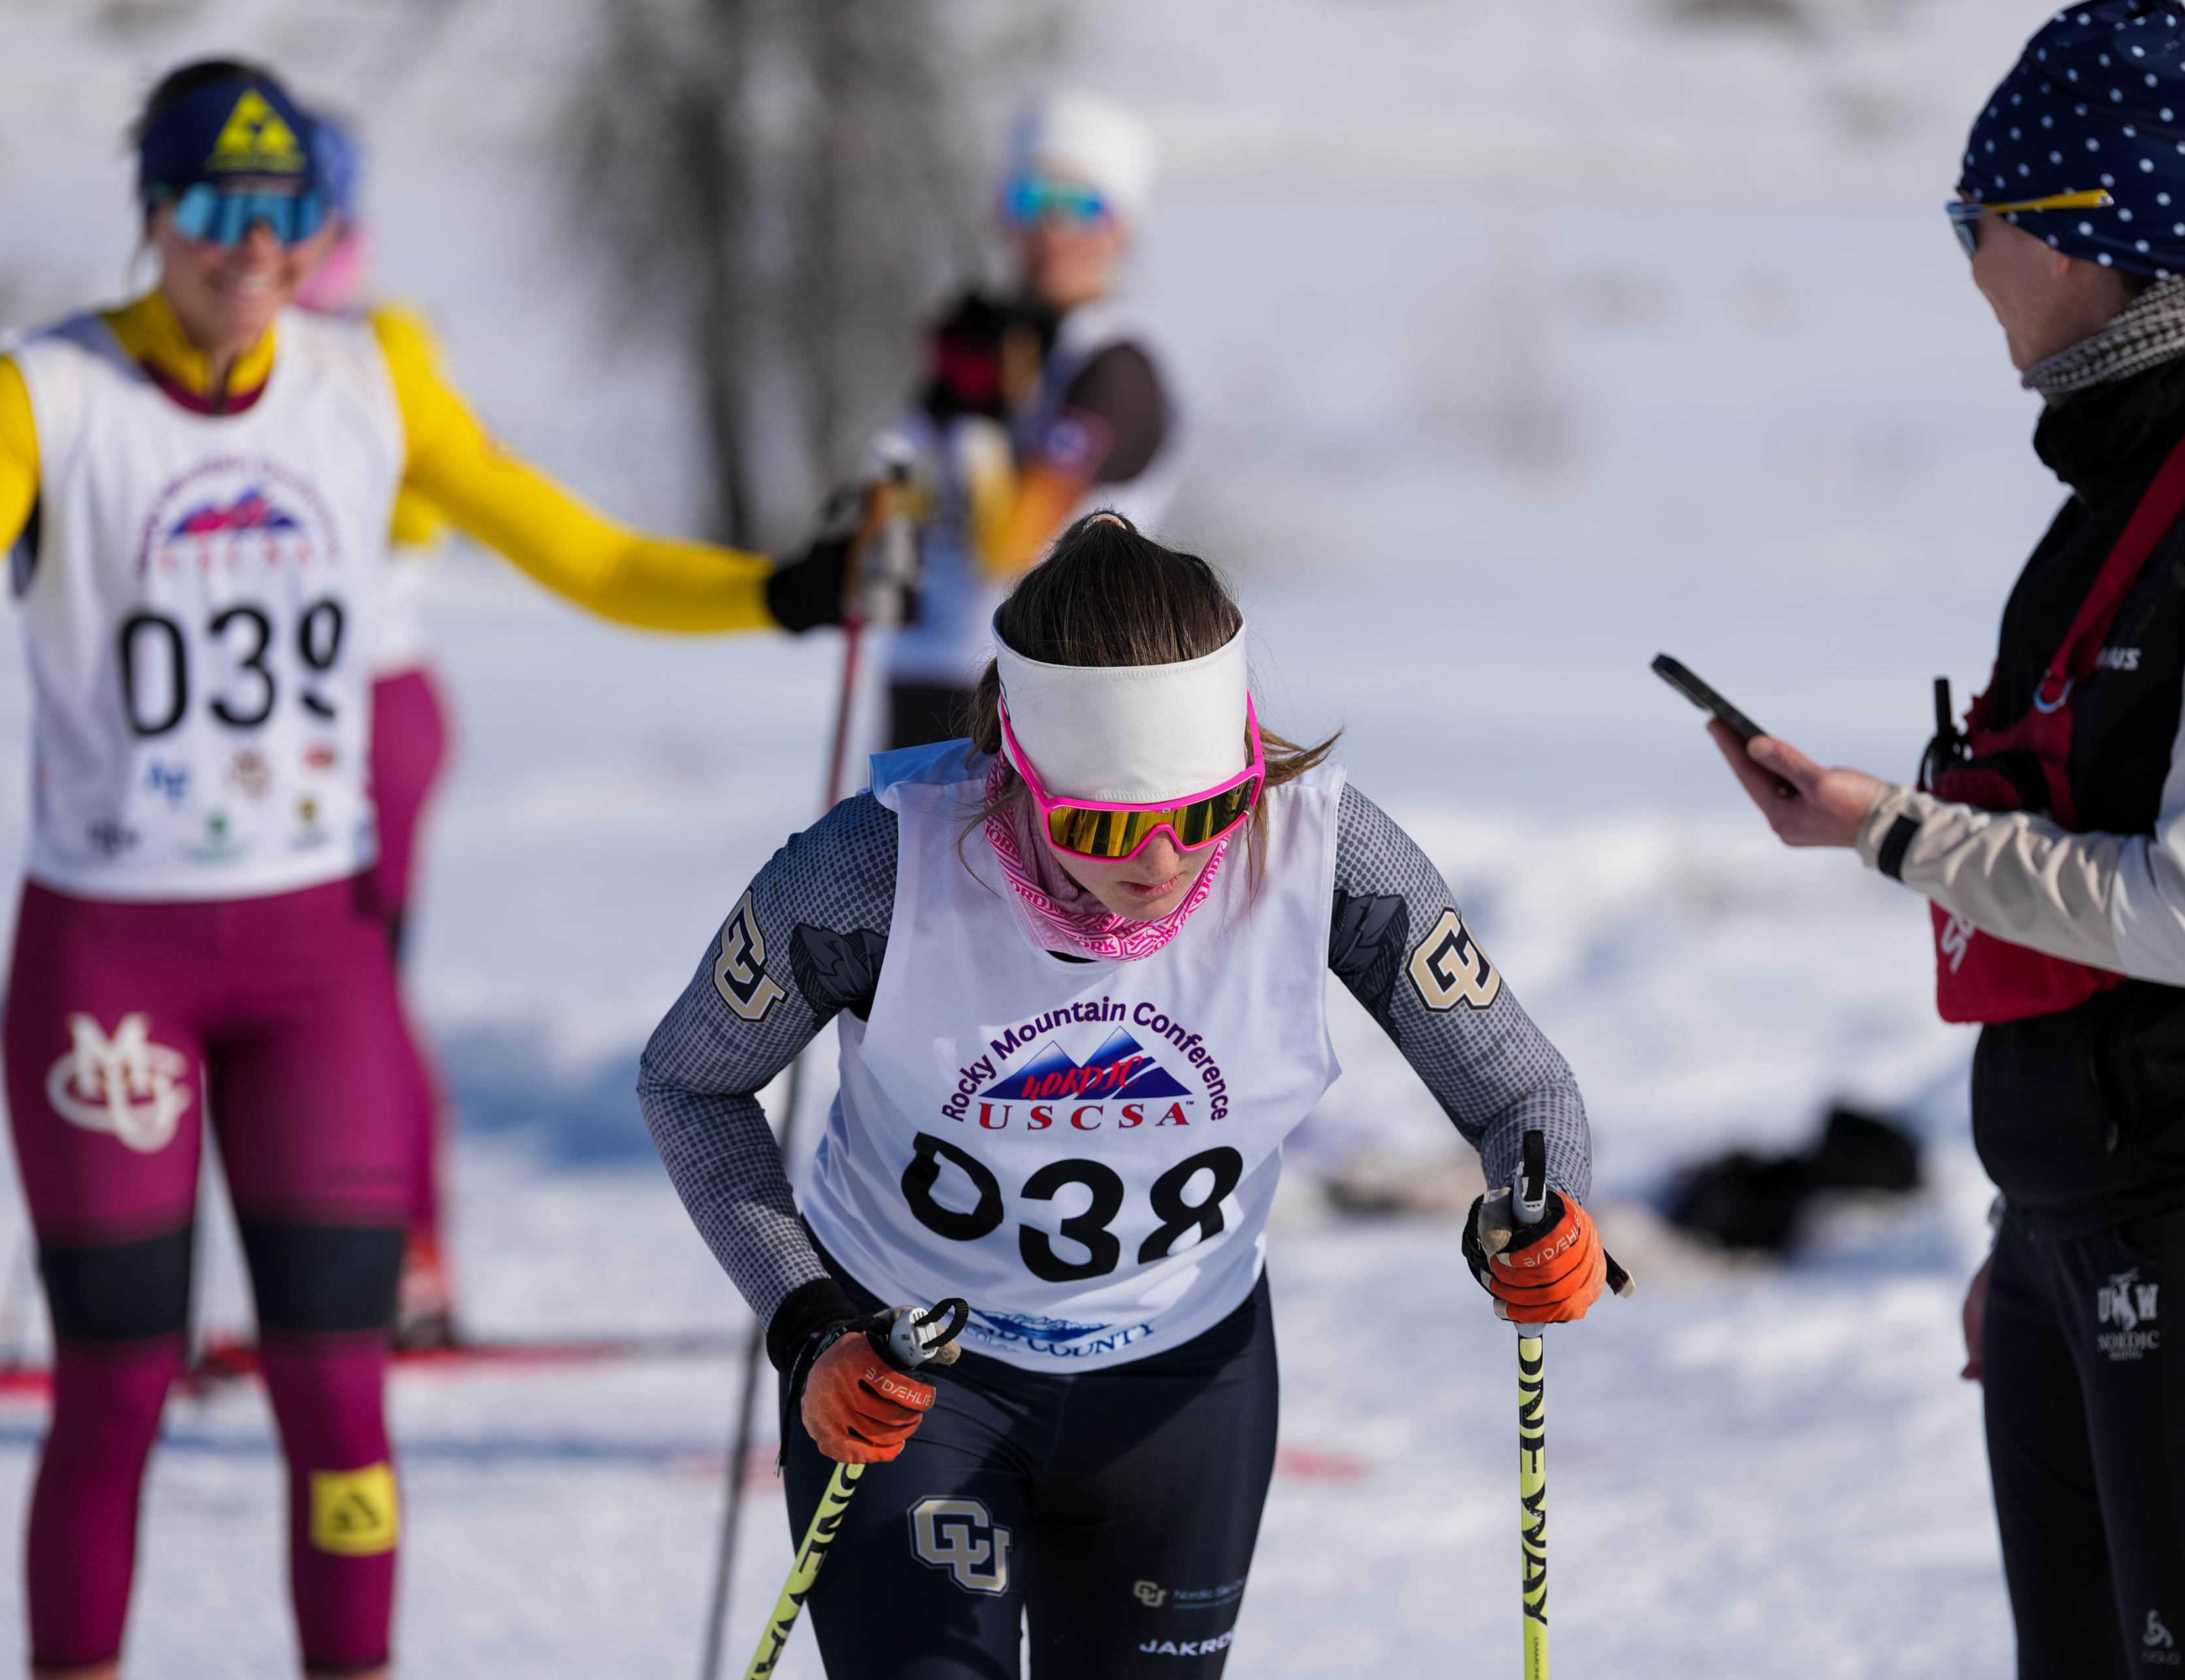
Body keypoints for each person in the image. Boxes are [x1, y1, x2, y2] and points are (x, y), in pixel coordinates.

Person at [0, 58, 825, 1680]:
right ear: (151, 214)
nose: (254, 248)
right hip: (111, 957)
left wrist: (789, 588)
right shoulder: (44, 391)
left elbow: (584, 552)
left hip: (317, 961)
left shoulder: (370, 375)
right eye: (214, 208)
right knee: (115, 1384)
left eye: (289, 213)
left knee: (341, 1393)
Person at [1707, 7, 2185, 1674]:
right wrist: (2031, 1225)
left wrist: (1892, 833)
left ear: (2087, 232)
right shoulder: (2125, 492)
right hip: (2086, 1201)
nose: (1967, 265)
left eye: (1980, 218)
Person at [639, 513, 1612, 1675]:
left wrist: (1545, 1212)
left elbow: (1522, 1091)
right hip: (912, 1369)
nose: (1160, 864)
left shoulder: (1329, 855)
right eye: (1100, 826)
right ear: (1017, 769)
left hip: (1182, 1387)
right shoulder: (871, 871)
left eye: (1206, 813)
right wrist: (810, 1325)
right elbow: (690, 1082)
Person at [861, 91, 1185, 752]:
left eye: (1082, 207)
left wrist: (973, 421)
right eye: (1031, 201)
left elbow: (1011, 543)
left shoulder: (1117, 367)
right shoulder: (998, 351)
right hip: (927, 673)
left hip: (1041, 686)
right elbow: (881, 515)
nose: (1053, 230)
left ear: (1122, 228)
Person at [293, 110, 463, 1347]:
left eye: (303, 220)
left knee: (359, 994)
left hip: (372, 705)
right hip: (272, 721)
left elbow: (425, 510)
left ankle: (411, 1255)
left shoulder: (375, 342)